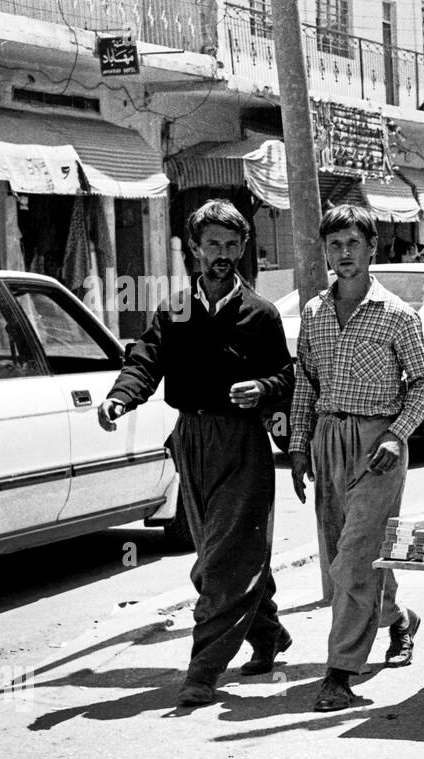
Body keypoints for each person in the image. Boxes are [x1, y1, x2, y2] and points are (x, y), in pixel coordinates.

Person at [98, 199, 294, 707]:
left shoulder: (261, 313)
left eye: (232, 246)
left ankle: (203, 671)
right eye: (213, 246)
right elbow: (145, 359)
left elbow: (287, 376)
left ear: (243, 249)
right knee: (218, 554)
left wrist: (263, 389)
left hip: (242, 443)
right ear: (195, 251)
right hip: (190, 442)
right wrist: (121, 397)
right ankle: (267, 633)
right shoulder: (174, 310)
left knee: (226, 558)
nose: (222, 255)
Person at [289, 205, 424, 712]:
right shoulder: (313, 313)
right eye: (335, 245)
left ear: (372, 248)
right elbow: (304, 385)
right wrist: (298, 446)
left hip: (379, 445)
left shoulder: (398, 314)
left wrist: (397, 436)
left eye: (353, 244)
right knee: (346, 557)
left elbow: (423, 382)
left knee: (353, 558)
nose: (344, 255)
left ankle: (339, 672)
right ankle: (398, 619)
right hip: (329, 438)